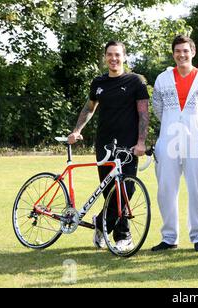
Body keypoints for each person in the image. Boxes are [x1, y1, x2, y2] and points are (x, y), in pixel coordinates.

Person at [67, 40, 149, 252]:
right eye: (110, 55)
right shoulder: (98, 82)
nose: (113, 58)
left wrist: (141, 142)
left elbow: (143, 114)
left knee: (126, 190)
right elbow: (89, 107)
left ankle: (106, 226)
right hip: (103, 145)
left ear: (124, 57)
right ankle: (118, 234)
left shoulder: (136, 81)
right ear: (105, 57)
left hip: (128, 146)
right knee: (109, 191)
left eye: (117, 54)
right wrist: (77, 130)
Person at [151, 35, 198, 252]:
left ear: (193, 52)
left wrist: (195, 125)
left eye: (185, 51)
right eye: (178, 51)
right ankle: (169, 237)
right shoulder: (162, 79)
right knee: (166, 189)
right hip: (167, 139)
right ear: (173, 54)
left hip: (196, 140)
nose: (182, 54)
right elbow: (158, 108)